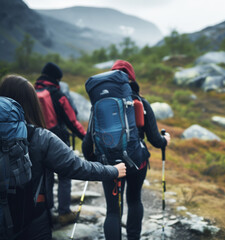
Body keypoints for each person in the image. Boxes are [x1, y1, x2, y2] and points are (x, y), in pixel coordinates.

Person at [0, 74, 127, 240]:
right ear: (32, 102)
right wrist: (113, 171)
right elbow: (77, 167)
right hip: (33, 218)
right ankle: (64, 213)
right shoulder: (40, 138)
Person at [82, 60, 171, 240]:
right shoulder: (140, 102)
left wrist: (98, 161)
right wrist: (165, 140)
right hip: (136, 162)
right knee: (134, 200)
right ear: (130, 78)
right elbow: (155, 139)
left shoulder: (98, 107)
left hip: (109, 165)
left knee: (113, 211)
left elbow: (86, 144)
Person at [34, 62, 87, 225]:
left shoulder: (32, 92)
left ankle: (47, 213)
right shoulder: (58, 95)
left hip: (37, 141)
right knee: (64, 176)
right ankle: (64, 213)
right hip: (58, 141)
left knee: (46, 177)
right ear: (56, 78)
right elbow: (72, 121)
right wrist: (86, 138)